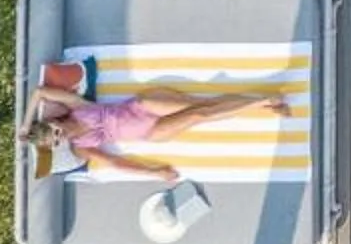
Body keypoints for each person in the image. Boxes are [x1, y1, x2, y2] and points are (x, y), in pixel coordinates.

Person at [27, 79, 292, 184]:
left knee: (202, 104)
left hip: (142, 107)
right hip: (150, 131)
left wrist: (24, 126)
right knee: (200, 115)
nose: (60, 133)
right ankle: (264, 104)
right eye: (56, 139)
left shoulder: (77, 107)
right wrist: (155, 173)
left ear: (54, 121)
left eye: (55, 129)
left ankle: (263, 103)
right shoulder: (81, 147)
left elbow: (40, 93)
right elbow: (117, 162)